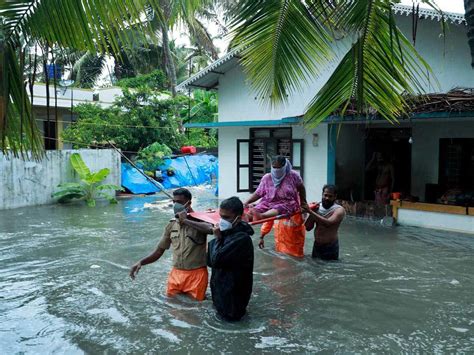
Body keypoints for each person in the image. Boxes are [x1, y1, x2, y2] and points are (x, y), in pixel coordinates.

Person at [129, 188, 212, 301]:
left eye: (180, 202)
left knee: (194, 312)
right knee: (172, 307)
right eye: (174, 202)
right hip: (176, 273)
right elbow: (159, 251)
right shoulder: (171, 225)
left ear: (189, 203)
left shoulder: (200, 221)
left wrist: (186, 220)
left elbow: (211, 229)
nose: (176, 205)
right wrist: (141, 262)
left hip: (196, 275)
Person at [207, 196, 254, 321]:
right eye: (221, 216)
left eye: (226, 217)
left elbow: (215, 260)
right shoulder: (227, 234)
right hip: (220, 291)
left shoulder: (241, 239)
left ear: (238, 218)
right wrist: (219, 237)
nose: (222, 221)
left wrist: (217, 238)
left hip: (233, 296)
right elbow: (210, 261)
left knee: (231, 323)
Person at [243, 155, 308, 221]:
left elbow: (301, 188)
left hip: (287, 203)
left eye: (279, 168)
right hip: (268, 202)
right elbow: (258, 193)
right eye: (274, 167)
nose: (276, 170)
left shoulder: (293, 176)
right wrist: (247, 202)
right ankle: (247, 217)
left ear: (284, 166)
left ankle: (262, 216)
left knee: (279, 208)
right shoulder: (267, 178)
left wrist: (303, 202)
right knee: (257, 209)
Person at [304, 184, 345, 261]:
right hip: (317, 245)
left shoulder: (339, 210)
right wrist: (312, 211)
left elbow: (328, 223)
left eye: (330, 196)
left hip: (330, 247)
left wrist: (310, 211)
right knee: (314, 269)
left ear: (335, 197)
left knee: (329, 271)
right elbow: (307, 227)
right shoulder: (317, 208)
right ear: (322, 194)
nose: (327, 198)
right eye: (325, 195)